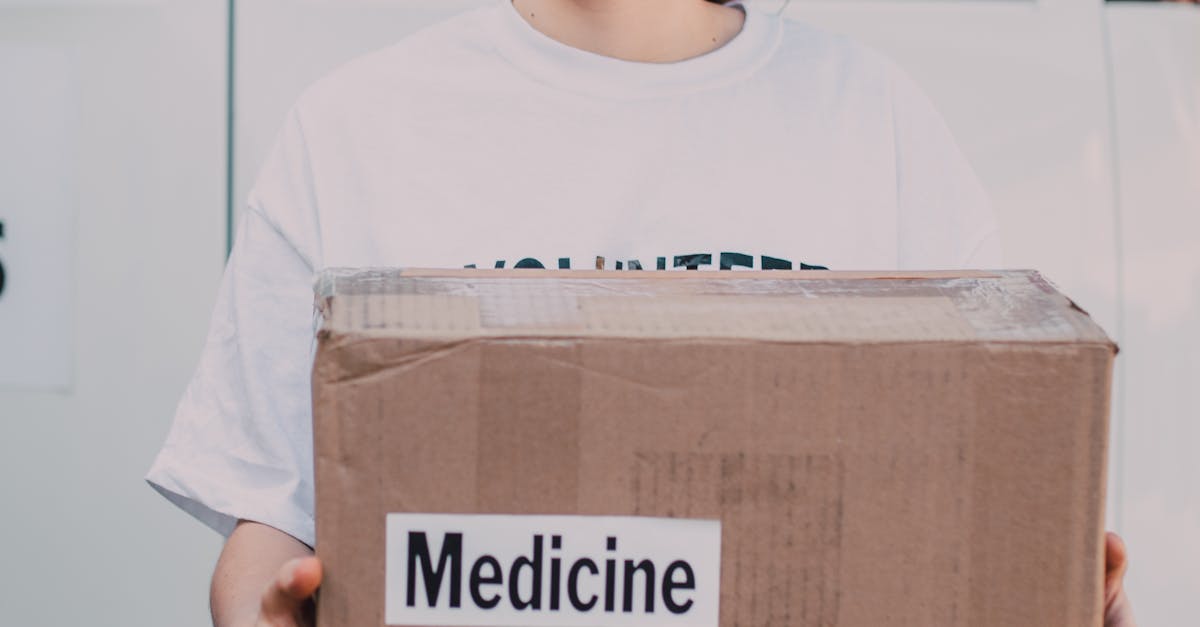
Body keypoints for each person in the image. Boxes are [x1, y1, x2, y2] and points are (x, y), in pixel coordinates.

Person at [145, 1, 1138, 625]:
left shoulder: (877, 120)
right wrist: (263, 612)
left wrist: (1043, 587)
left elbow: (971, 501)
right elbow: (268, 529)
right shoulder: (360, 123)